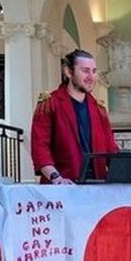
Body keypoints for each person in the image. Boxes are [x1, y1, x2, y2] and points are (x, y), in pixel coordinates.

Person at [31, 49, 119, 184]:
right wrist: (56, 178)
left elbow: (111, 148)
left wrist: (123, 172)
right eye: (85, 71)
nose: (91, 77)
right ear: (68, 72)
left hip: (97, 185)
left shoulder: (99, 108)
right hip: (63, 187)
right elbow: (40, 147)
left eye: (94, 71)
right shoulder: (50, 103)